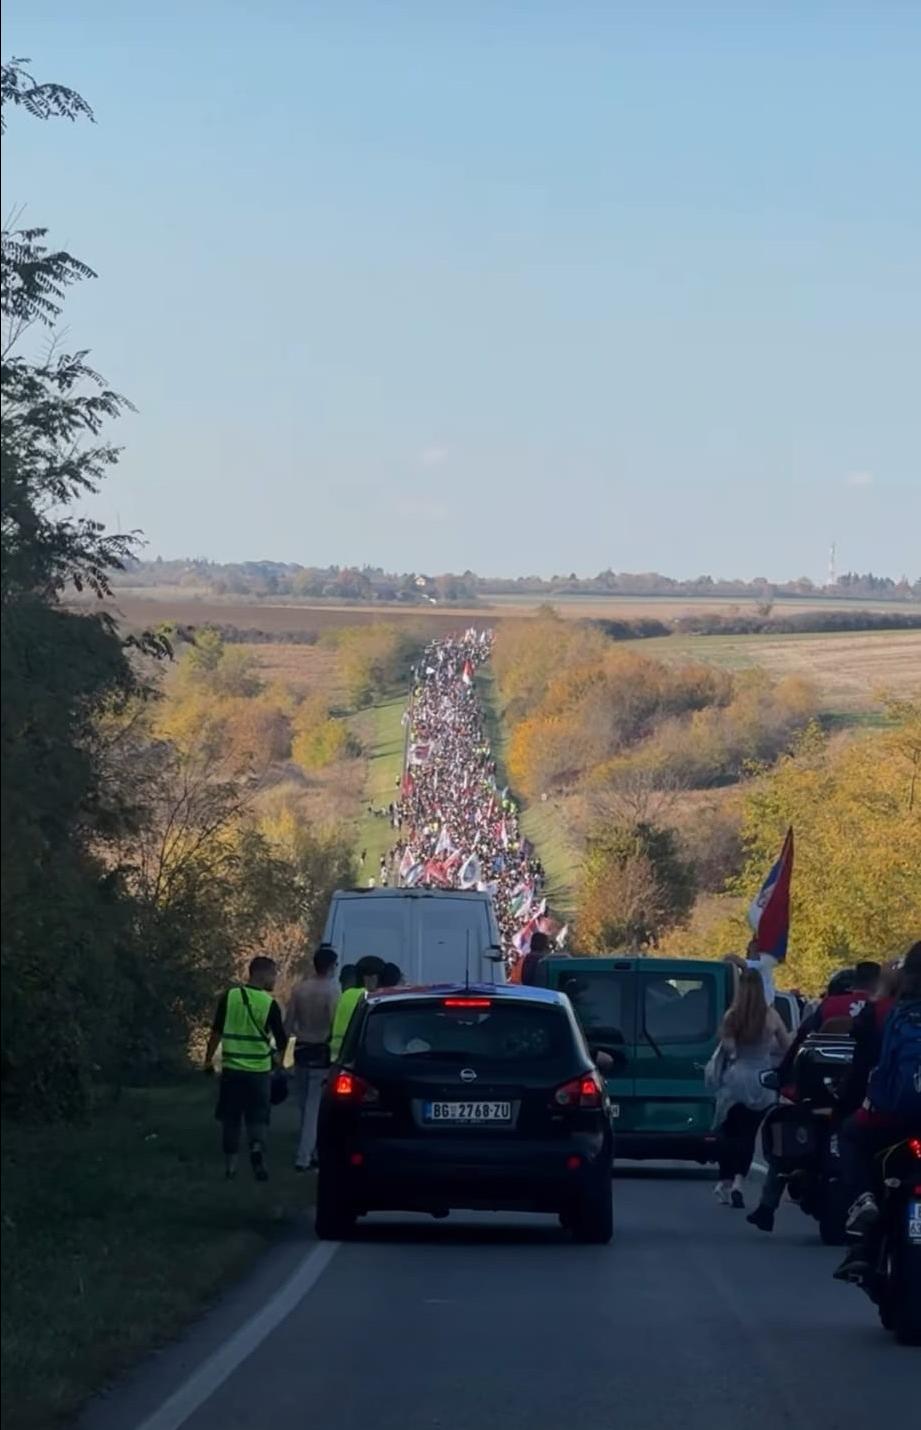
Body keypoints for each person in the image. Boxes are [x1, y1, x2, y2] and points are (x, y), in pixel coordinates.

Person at [834, 942, 921, 1282]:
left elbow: (869, 1068)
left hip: (892, 1116)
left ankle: (863, 1199)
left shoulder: (889, 1011)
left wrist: (847, 1104)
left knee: (851, 1135)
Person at [204, 956, 288, 1182]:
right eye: (273, 974)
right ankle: (256, 1150)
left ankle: (230, 1168)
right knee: (258, 1117)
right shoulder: (269, 1004)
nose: (275, 979)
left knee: (231, 1119)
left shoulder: (229, 997)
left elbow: (216, 1033)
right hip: (259, 1073)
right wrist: (282, 1064)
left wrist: (208, 1060)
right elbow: (282, 1040)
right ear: (261, 974)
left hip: (232, 1070)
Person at [713, 969, 791, 1209]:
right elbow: (786, 1045)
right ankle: (738, 1182)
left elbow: (729, 1049)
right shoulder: (771, 1016)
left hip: (737, 1077)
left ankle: (724, 1180)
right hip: (762, 1079)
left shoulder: (732, 1016)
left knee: (729, 1132)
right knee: (748, 1134)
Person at [286, 943, 340, 1172]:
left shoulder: (300, 989)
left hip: (301, 1048)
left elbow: (288, 1023)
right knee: (314, 1106)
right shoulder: (332, 990)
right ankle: (304, 1156)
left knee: (303, 1104)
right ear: (331, 966)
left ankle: (311, 1150)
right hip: (321, 1050)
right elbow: (334, 1022)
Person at [329, 955, 385, 1061]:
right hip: (355, 1055)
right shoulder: (371, 998)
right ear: (372, 977)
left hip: (336, 1054)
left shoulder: (346, 994)